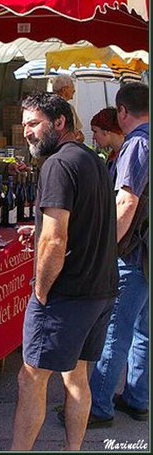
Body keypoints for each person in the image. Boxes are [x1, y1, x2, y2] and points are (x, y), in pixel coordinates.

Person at [10, 92, 118, 451]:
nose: (26, 132)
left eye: (34, 123)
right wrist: (38, 229)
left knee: (31, 379)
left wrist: (40, 294)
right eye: (24, 124)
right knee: (77, 377)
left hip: (66, 295)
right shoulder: (92, 159)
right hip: (99, 290)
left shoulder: (57, 165)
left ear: (59, 123)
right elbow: (85, 221)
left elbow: (55, 241)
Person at [89, 82, 149, 426]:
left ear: (122, 112)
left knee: (116, 331)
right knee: (142, 330)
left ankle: (98, 407)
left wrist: (104, 249)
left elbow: (126, 202)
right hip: (145, 251)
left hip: (132, 253)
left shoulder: (137, 143)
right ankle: (137, 397)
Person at [51, 74, 84, 142]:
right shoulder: (68, 108)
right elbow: (79, 136)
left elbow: (79, 134)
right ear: (64, 90)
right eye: (72, 87)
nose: (74, 90)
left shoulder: (45, 107)